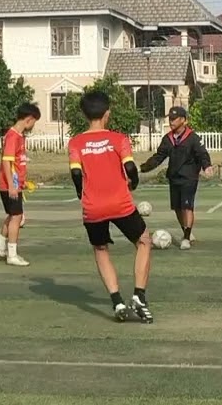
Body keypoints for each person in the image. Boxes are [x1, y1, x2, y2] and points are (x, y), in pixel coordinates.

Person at [69, 90, 154, 323]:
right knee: (144, 241)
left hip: (92, 206)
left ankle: (117, 301)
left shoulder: (76, 142)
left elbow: (76, 172)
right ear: (107, 113)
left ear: (84, 114)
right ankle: (138, 295)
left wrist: (80, 192)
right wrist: (134, 183)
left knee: (100, 249)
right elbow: (130, 168)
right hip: (121, 203)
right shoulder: (118, 139)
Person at [140, 105, 213, 250]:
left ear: (184, 120)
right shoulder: (167, 139)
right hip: (174, 177)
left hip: (189, 177)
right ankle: (187, 230)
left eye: (175, 119)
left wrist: (207, 166)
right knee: (177, 208)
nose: (171, 121)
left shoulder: (193, 138)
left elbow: (202, 154)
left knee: (187, 206)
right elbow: (158, 157)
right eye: (170, 118)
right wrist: (143, 168)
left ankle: (186, 237)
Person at [0, 102, 40, 267]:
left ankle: (0, 249)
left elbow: (17, 163)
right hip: (9, 185)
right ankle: (12, 255)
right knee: (17, 217)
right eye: (34, 121)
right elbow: (7, 162)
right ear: (29, 119)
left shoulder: (19, 136)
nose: (34, 125)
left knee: (12, 216)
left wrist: (23, 182)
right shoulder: (13, 136)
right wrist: (12, 186)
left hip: (13, 183)